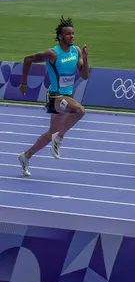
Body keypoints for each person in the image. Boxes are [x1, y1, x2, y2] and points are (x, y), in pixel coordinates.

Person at [17, 17, 89, 177]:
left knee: (51, 133)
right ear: (61, 37)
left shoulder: (76, 51)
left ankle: (26, 156)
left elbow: (84, 76)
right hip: (55, 97)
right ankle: (60, 137)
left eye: (73, 33)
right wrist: (23, 83)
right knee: (79, 110)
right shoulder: (52, 54)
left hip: (67, 96)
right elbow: (28, 59)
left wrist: (85, 56)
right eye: (68, 34)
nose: (72, 36)